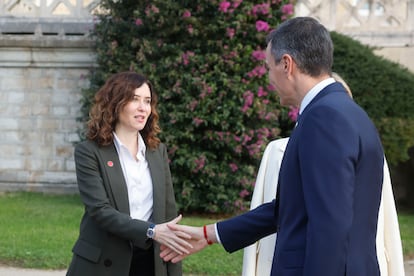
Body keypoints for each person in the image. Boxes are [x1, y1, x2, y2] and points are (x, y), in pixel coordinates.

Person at [160, 17, 385, 276]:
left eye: (269, 67)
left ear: (287, 64)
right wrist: (209, 234)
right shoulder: (347, 112)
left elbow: (330, 227)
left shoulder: (324, 118)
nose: (268, 78)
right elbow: (292, 208)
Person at [242, 73, 405, 276]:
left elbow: (382, 218)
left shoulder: (356, 142)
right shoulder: (278, 150)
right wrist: (214, 233)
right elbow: (278, 208)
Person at [67, 71, 191, 276]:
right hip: (101, 265)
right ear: (115, 103)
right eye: (135, 99)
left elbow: (168, 216)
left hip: (149, 262)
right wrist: (151, 231)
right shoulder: (89, 152)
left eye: (148, 101)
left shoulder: (157, 151)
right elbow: (100, 211)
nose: (143, 108)